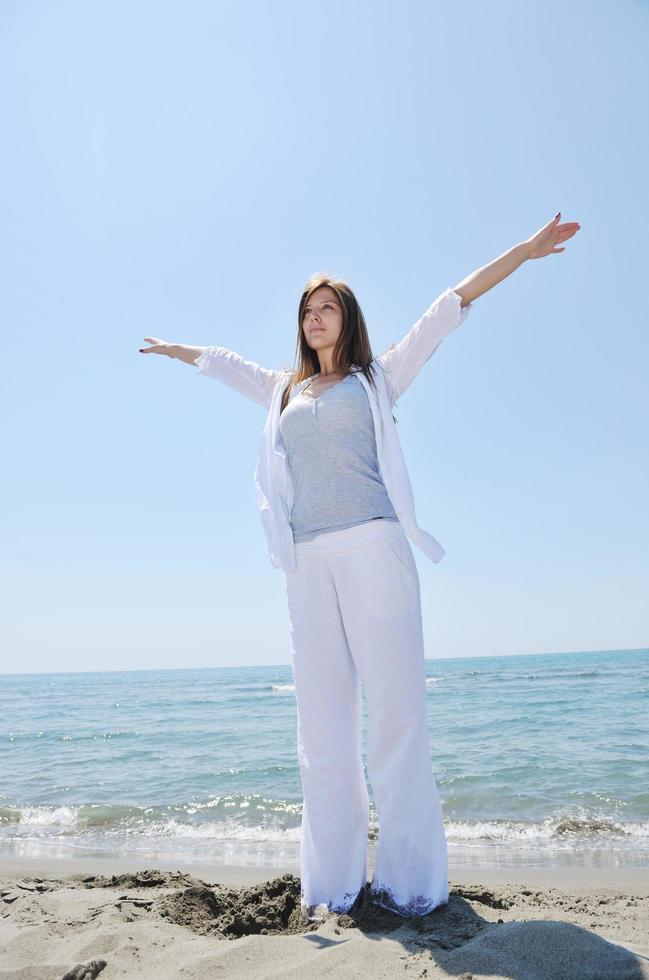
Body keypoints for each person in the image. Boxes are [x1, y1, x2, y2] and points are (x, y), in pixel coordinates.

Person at [139, 213, 581, 919]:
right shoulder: (282, 390)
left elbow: (449, 307)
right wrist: (172, 351)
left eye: (328, 308)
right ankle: (334, 885)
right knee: (322, 732)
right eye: (308, 310)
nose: (316, 318)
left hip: (375, 551)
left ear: (347, 321)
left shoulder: (378, 377)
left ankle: (410, 885)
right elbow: (223, 361)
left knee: (398, 721)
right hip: (306, 565)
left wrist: (525, 252)